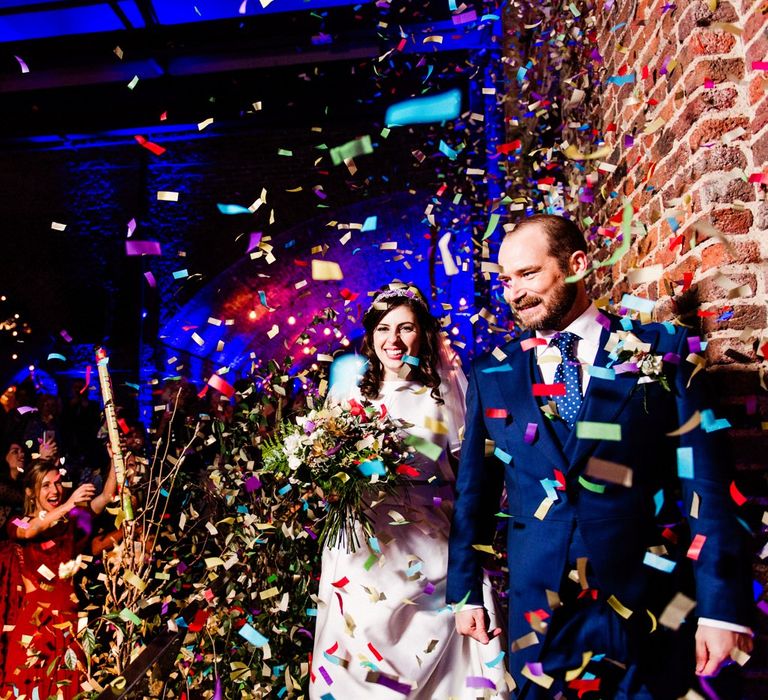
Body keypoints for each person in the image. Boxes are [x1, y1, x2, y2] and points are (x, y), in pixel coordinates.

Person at [447, 214, 754, 698]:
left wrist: (721, 607)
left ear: (576, 265)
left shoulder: (664, 350)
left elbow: (708, 486)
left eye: (528, 274)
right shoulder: (491, 372)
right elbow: (475, 495)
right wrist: (464, 591)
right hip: (540, 612)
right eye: (506, 279)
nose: (514, 293)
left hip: (652, 605)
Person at [311, 283, 509, 699]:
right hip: (361, 547)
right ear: (371, 336)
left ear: (424, 333)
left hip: (429, 544)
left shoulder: (445, 394)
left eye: (405, 328)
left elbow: (473, 474)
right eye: (383, 329)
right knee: (357, 658)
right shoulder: (348, 393)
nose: (393, 341)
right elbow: (324, 462)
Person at [1, 456, 117, 699]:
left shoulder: (70, 522)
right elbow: (31, 529)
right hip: (35, 627)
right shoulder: (18, 521)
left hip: (69, 623)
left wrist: (116, 461)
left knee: (69, 690)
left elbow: (105, 497)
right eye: (46, 485)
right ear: (30, 492)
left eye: (57, 483)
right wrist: (69, 504)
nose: (55, 490)